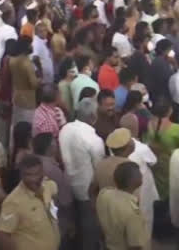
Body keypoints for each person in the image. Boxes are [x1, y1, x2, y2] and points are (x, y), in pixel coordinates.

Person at [59, 98, 105, 249]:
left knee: (73, 225)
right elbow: (99, 169)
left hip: (67, 184)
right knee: (88, 229)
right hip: (87, 189)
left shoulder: (65, 129)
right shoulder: (94, 140)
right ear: (93, 116)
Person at [0, 154, 60, 250]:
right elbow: (2, 236)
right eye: (28, 175)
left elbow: (54, 198)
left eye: (37, 173)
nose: (34, 179)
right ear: (21, 175)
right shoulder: (13, 202)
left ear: (42, 171)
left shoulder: (49, 185)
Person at [95, 161, 151, 250]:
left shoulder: (104, 194)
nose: (142, 175)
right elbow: (135, 246)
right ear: (135, 181)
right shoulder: (133, 213)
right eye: (140, 173)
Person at [144, 97, 179, 220]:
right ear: (169, 111)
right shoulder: (176, 129)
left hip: (154, 163)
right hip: (169, 164)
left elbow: (146, 142)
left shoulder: (149, 125)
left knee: (157, 190)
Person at [32, 132, 73, 243]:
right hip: (55, 220)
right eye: (55, 144)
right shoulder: (53, 169)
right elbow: (65, 200)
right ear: (50, 148)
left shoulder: (31, 163)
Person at [92, 128, 134, 195]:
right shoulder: (131, 168)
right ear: (129, 146)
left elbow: (92, 189)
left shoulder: (101, 164)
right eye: (131, 139)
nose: (133, 141)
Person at [9, 36, 39, 128]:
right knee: (27, 128)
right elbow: (34, 84)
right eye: (30, 44)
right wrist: (39, 80)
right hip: (27, 100)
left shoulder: (11, 60)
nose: (32, 46)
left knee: (16, 126)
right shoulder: (27, 63)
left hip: (16, 97)